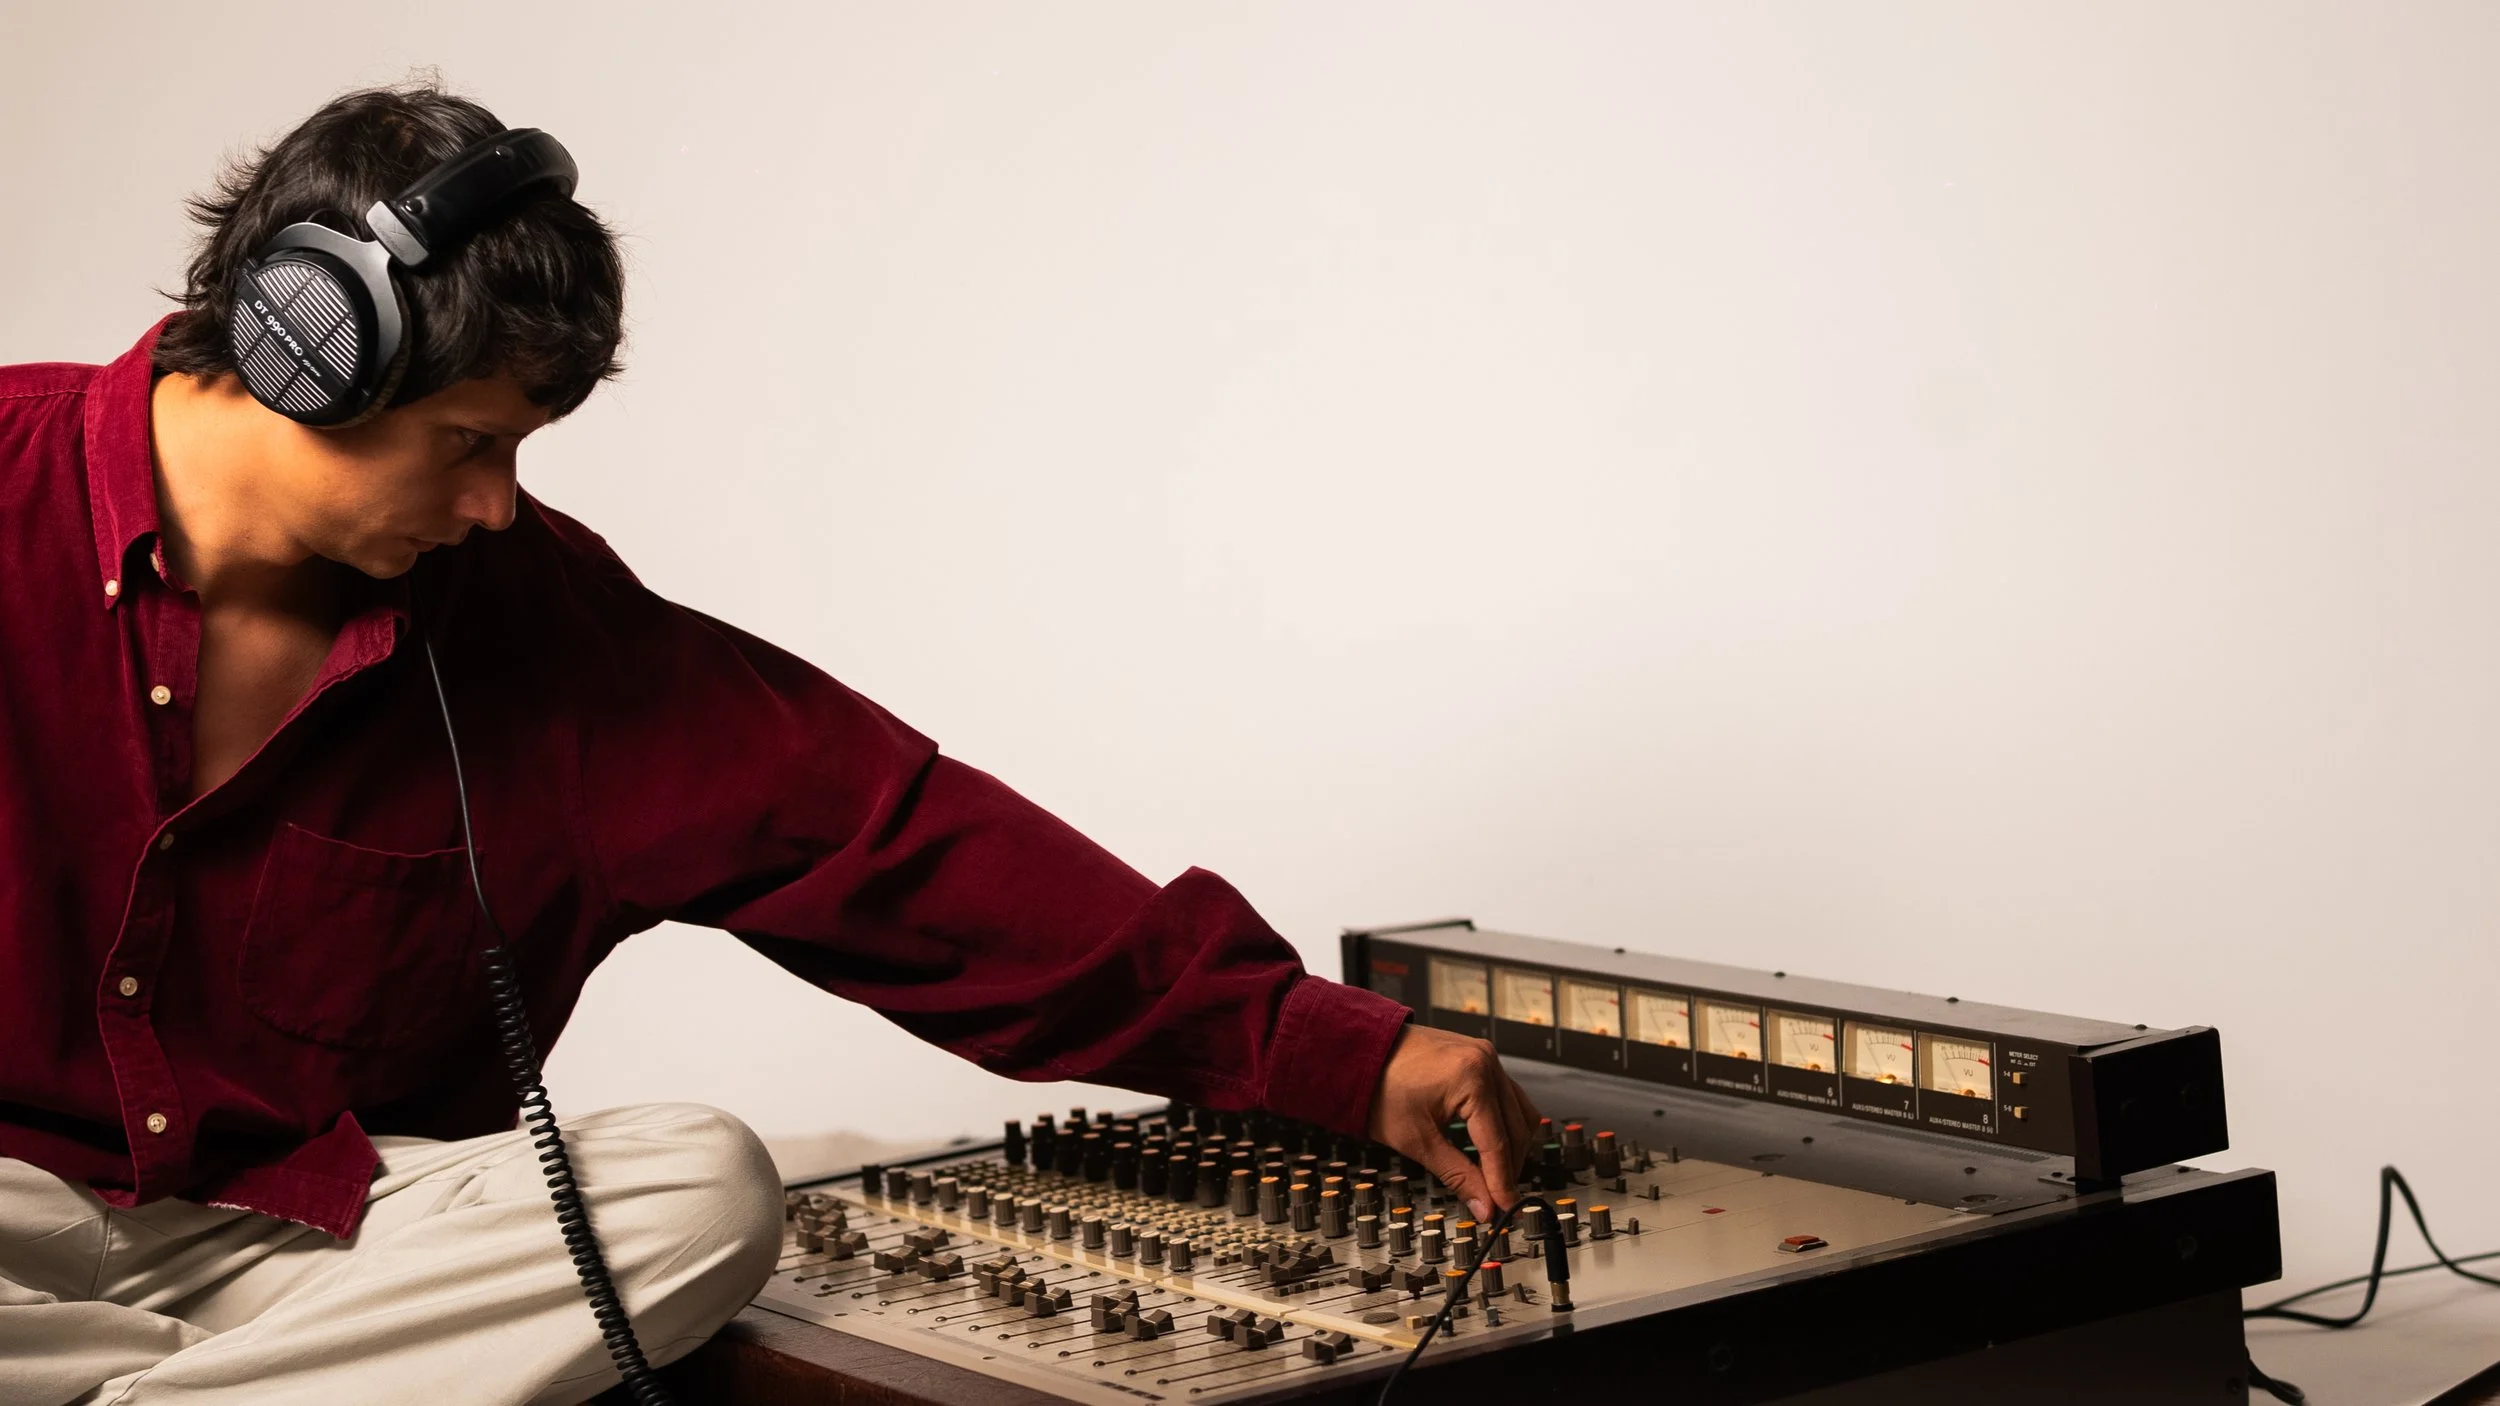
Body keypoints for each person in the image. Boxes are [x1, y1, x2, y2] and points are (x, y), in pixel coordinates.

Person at [0, 81, 1539, 1406]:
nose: (493, 504)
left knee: (695, 1191)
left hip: (319, 1250)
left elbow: (895, 842)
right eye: (467, 443)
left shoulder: (539, 622)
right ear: (303, 354)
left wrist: (1333, 1049)